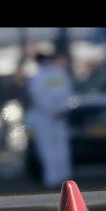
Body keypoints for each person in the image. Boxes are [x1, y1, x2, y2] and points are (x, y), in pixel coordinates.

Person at [26, 48, 74, 190]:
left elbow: (38, 98)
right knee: (62, 146)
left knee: (47, 148)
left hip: (44, 117)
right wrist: (61, 110)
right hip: (59, 116)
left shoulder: (37, 77)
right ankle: (66, 178)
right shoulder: (60, 74)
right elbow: (68, 94)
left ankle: (52, 179)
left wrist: (53, 110)